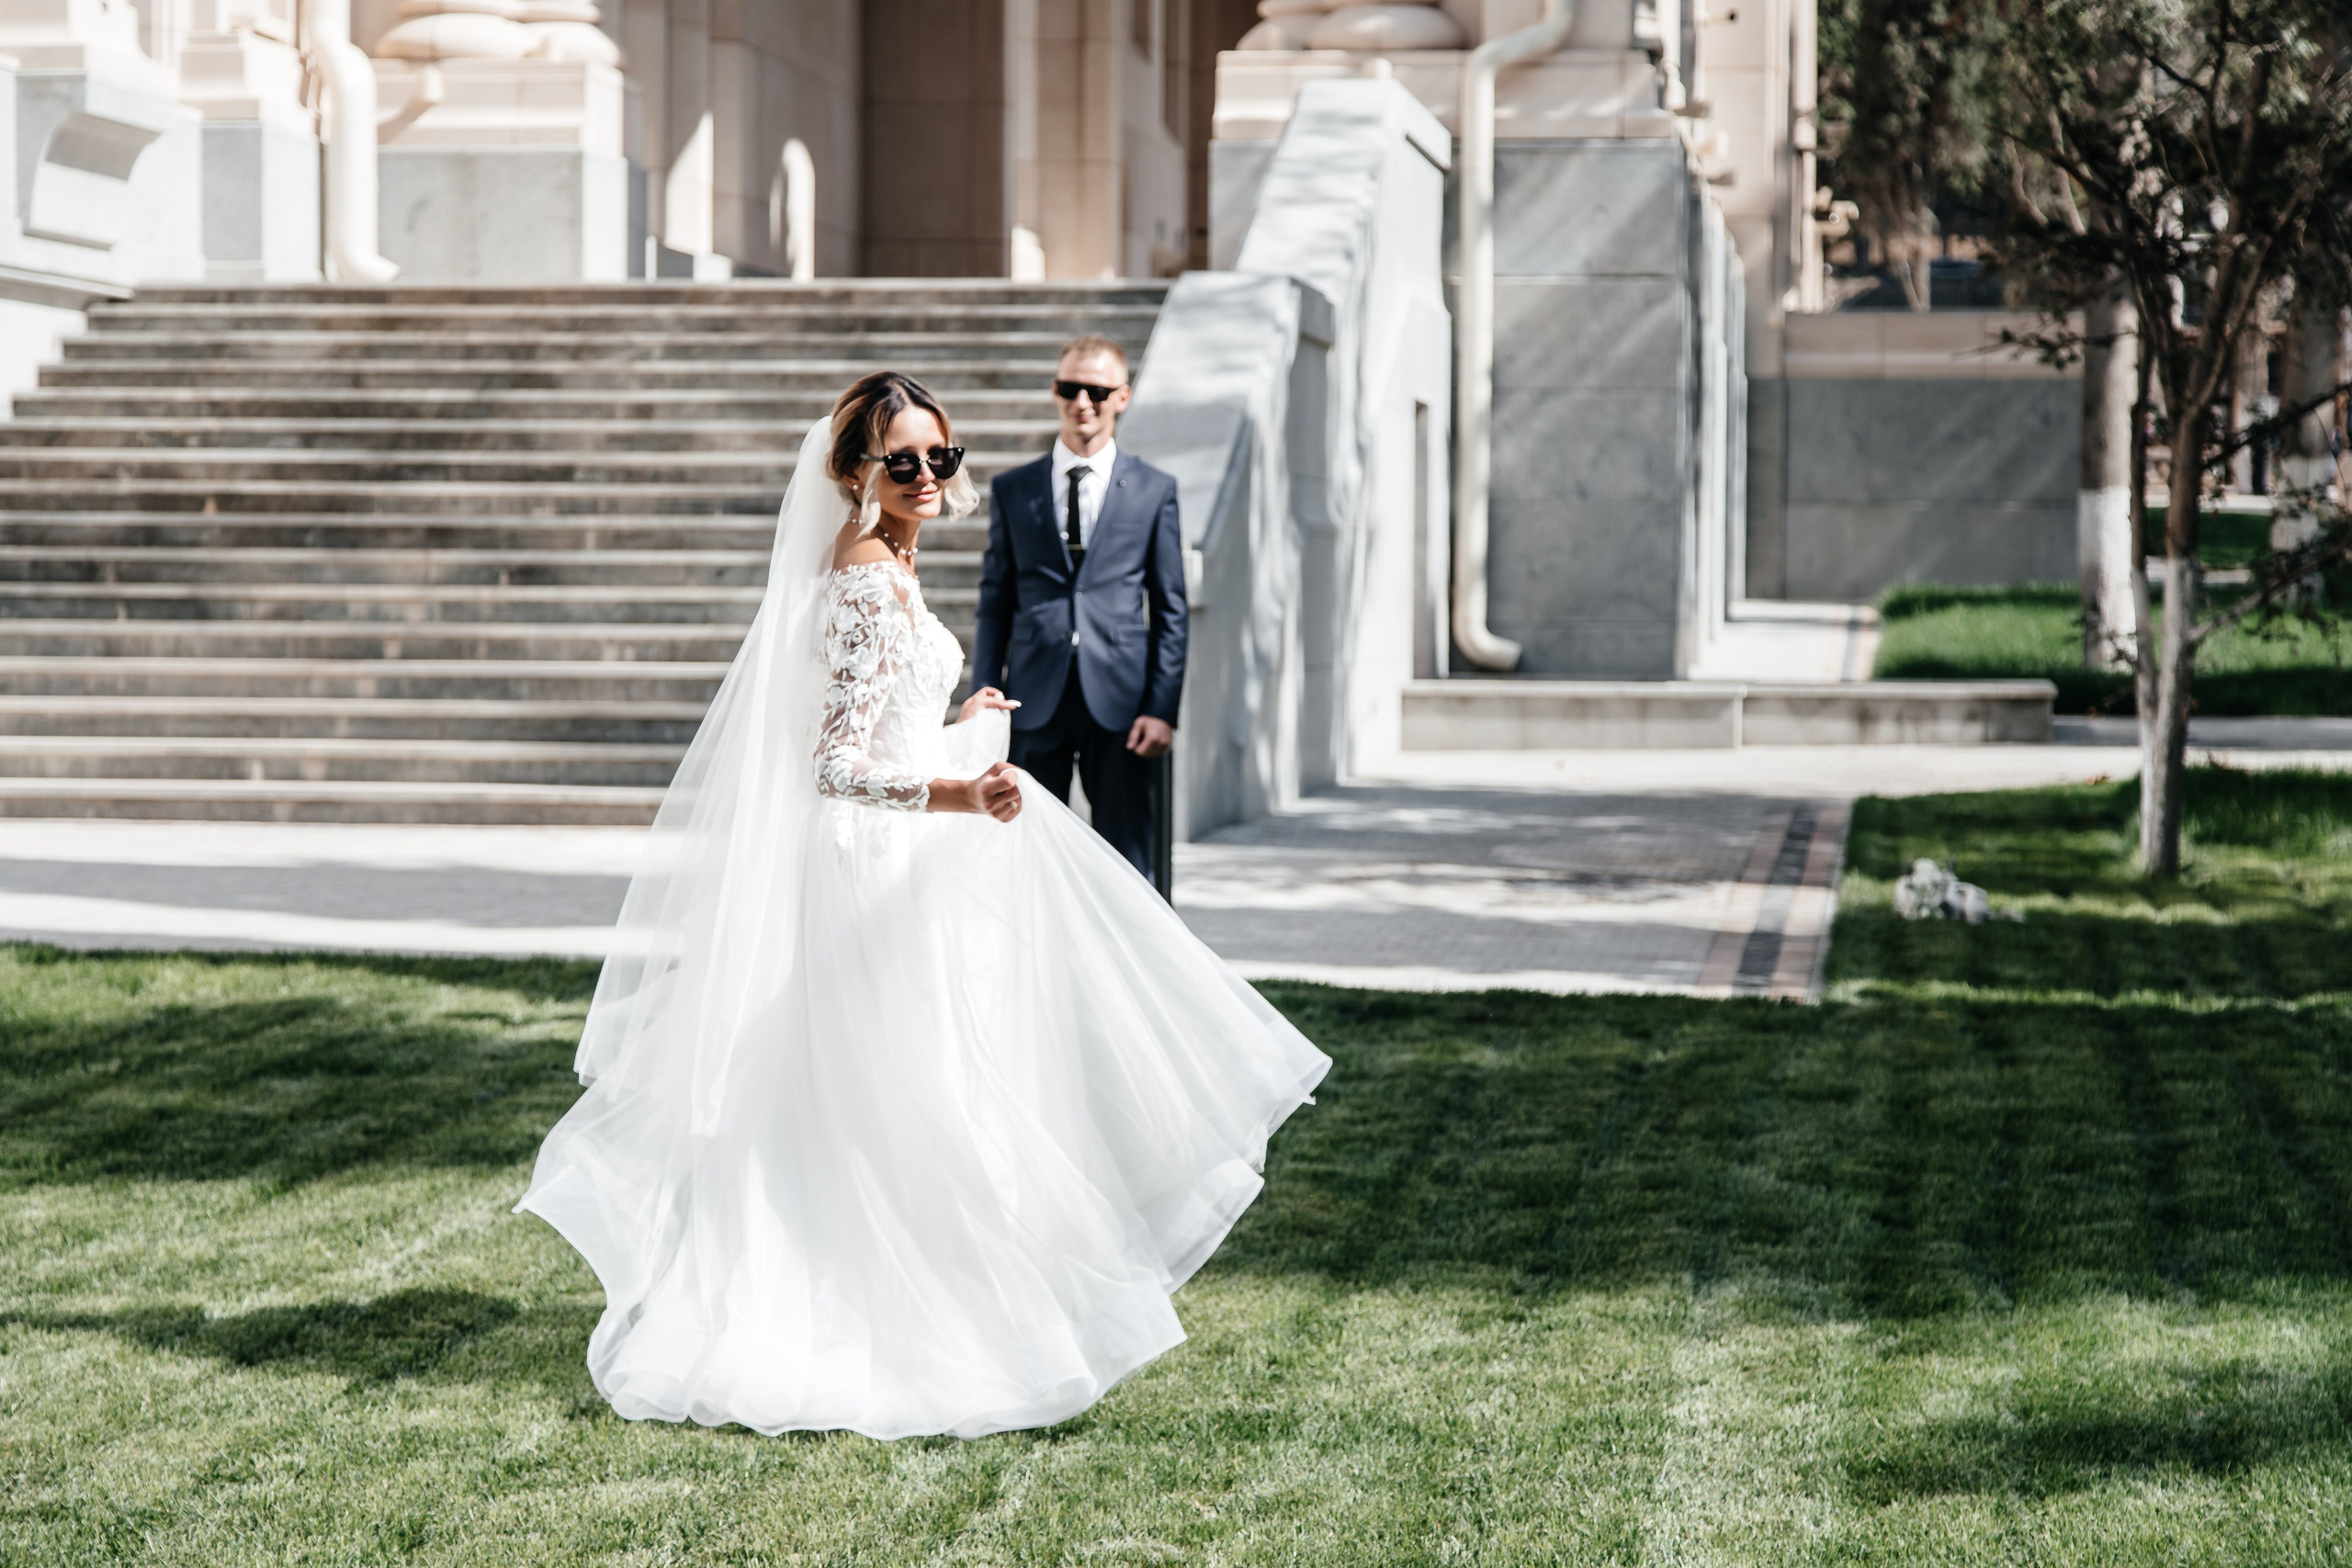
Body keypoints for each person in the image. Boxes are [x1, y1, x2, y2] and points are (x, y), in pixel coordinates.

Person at [514, 371, 1329, 1442]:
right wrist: (958, 791)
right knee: (907, 1095)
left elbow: (888, 727)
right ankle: (893, 1319)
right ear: (856, 473)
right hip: (871, 868)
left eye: (941, 456)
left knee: (938, 1085)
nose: (930, 476)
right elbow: (835, 768)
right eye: (905, 461)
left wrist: (965, 721)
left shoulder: (892, 564)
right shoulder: (860, 577)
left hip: (906, 848)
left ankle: (953, 1301)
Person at [971, 335, 1184, 881]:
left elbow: (1169, 608)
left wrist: (1162, 709)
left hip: (1123, 704)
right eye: (1071, 388)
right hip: (1032, 699)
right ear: (1055, 391)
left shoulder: (1155, 489)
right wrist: (986, 689)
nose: (1082, 401)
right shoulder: (1015, 489)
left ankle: (1139, 963)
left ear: (1123, 397)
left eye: (1097, 389)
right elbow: (995, 598)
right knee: (1025, 851)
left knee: (1129, 858)